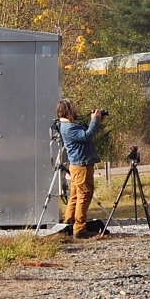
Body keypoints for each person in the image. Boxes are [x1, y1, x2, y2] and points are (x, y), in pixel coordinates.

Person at [56, 99, 106, 238]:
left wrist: (97, 122)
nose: (76, 110)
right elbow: (87, 136)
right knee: (84, 195)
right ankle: (79, 228)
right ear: (68, 110)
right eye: (73, 108)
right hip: (81, 165)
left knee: (75, 195)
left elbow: (88, 133)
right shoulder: (69, 127)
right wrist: (94, 121)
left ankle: (68, 222)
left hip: (78, 164)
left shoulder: (69, 125)